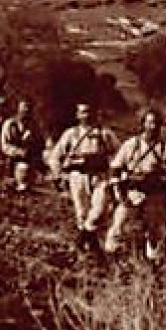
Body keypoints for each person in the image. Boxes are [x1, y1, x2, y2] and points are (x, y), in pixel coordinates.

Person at [103, 109, 166, 262]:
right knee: (119, 225)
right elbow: (115, 168)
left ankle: (154, 265)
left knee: (155, 232)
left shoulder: (165, 148)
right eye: (150, 122)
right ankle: (111, 258)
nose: (153, 127)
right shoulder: (132, 144)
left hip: (155, 195)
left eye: (156, 123)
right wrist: (118, 192)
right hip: (133, 192)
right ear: (143, 124)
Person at [51, 103, 120, 254]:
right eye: (82, 112)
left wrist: (112, 169)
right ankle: (91, 250)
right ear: (77, 115)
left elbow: (119, 154)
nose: (86, 115)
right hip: (78, 177)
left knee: (99, 211)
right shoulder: (71, 134)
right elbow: (55, 156)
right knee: (82, 213)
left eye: (89, 112)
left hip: (99, 177)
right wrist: (58, 176)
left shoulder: (105, 134)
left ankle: (81, 240)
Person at [0, 101, 43, 192]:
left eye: (28, 109)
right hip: (10, 159)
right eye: (23, 108)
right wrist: (18, 152)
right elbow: (4, 146)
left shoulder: (33, 126)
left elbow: (39, 143)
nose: (26, 111)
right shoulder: (9, 124)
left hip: (28, 160)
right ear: (18, 109)